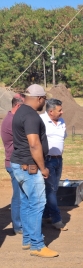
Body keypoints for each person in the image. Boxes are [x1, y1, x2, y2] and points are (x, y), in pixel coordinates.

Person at [11, 84, 58, 258]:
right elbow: (34, 144)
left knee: (27, 203)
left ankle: (28, 240)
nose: (44, 102)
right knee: (37, 204)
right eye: (44, 99)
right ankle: (37, 245)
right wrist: (43, 168)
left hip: (19, 164)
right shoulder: (31, 116)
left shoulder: (20, 111)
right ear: (39, 98)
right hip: (29, 167)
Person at [40, 98, 68, 231]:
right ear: (51, 111)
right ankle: (56, 219)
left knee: (53, 189)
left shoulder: (61, 121)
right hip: (47, 160)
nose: (62, 112)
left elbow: (63, 137)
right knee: (51, 189)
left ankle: (45, 215)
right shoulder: (41, 120)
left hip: (58, 159)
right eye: (59, 110)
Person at [1, 93, 25, 234]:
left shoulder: (11, 118)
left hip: (15, 162)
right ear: (18, 105)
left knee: (21, 194)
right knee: (19, 195)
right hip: (14, 163)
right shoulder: (12, 121)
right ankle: (18, 226)